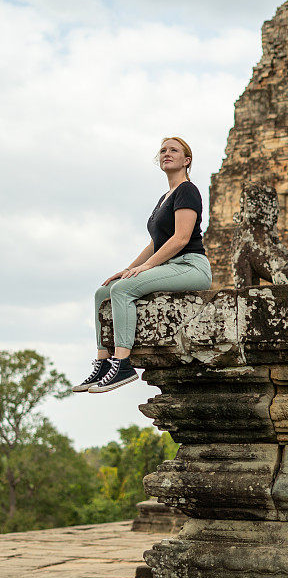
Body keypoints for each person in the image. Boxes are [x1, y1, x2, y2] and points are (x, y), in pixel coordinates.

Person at [72, 136, 212, 394]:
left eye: (174, 150)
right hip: (170, 265)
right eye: (162, 150)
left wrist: (146, 268)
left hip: (191, 266)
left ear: (186, 160)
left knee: (122, 290)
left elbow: (181, 238)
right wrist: (127, 269)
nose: (166, 153)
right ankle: (103, 362)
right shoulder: (164, 197)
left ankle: (123, 364)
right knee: (105, 291)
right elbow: (154, 243)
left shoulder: (187, 190)